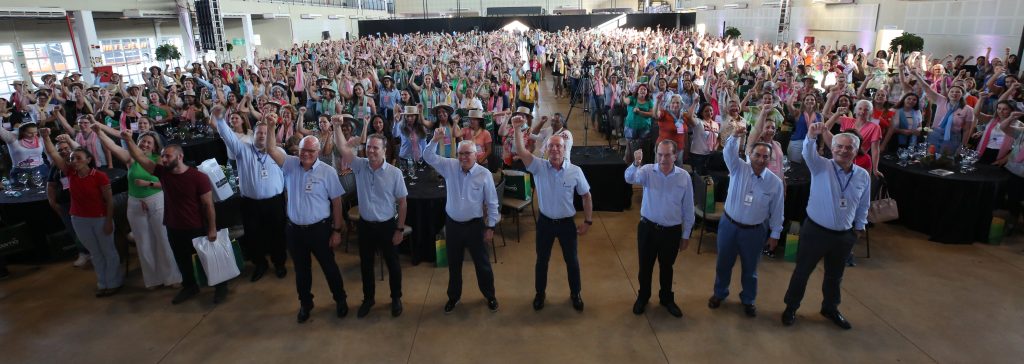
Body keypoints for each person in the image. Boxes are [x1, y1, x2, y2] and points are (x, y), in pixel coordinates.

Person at [782, 123, 871, 330]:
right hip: (815, 232)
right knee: (802, 272)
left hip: (843, 236)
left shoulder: (862, 176)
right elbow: (807, 151)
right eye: (839, 146)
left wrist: (859, 227)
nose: (843, 150)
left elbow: (864, 204)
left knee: (835, 276)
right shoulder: (821, 166)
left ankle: (830, 308)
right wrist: (812, 136)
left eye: (849, 147)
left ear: (856, 151)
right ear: (832, 147)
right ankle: (791, 307)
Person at [122, 130, 225, 305]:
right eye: (162, 156)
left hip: (196, 226)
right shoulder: (163, 173)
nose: (163, 160)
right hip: (173, 226)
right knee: (182, 260)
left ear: (180, 157)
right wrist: (128, 140)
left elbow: (208, 205)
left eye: (167, 156)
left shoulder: (198, 177)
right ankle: (190, 286)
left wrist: (212, 228)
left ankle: (220, 287)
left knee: (207, 258)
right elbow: (140, 157)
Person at [263, 115, 349, 323]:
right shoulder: (290, 164)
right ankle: (305, 304)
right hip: (295, 231)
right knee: (302, 272)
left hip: (320, 230)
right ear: (298, 151)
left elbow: (337, 203)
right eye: (303, 150)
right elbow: (271, 150)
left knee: (330, 268)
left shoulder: (327, 172)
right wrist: (271, 127)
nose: (306, 154)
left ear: (317, 152)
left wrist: (337, 231)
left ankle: (340, 300)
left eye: (311, 151)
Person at [511, 114, 593, 312]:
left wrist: (588, 221)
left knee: (572, 261)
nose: (555, 149)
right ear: (545, 150)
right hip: (545, 223)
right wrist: (516, 128)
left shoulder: (575, 171)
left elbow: (586, 196)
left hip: (567, 224)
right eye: (551, 146)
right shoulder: (539, 167)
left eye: (559, 146)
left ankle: (576, 293)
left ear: (565, 150)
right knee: (542, 261)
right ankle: (540, 293)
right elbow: (520, 150)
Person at [708, 122, 785, 317]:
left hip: (755, 231)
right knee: (723, 264)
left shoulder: (774, 183)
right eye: (757, 155)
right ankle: (719, 293)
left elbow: (777, 210)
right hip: (729, 226)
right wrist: (735, 136)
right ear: (749, 156)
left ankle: (748, 299)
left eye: (765, 157)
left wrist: (775, 234)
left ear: (770, 159)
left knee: (750, 269)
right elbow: (728, 154)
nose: (760, 159)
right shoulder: (738, 168)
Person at [93, 124, 181, 289]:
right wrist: (99, 132)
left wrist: (147, 183)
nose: (145, 144)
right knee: (144, 242)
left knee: (163, 239)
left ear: (155, 146)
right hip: (135, 203)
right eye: (142, 141)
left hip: (156, 200)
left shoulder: (160, 160)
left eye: (149, 142)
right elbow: (111, 146)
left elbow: (167, 183)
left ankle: (173, 277)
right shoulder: (130, 157)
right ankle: (153, 280)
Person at [424, 130, 500, 314]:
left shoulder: (484, 174)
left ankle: (490, 295)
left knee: (482, 264)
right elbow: (427, 156)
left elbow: (492, 202)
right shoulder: (449, 166)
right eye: (461, 153)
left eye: (468, 153)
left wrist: (490, 226)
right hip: (453, 225)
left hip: (475, 226)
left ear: (476, 154)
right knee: (454, 264)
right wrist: (435, 139)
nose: (464, 157)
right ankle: (454, 297)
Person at [41, 128, 121, 297]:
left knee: (108, 251)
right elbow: (53, 153)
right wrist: (45, 136)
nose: (74, 161)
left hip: (100, 219)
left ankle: (114, 282)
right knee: (95, 253)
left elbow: (109, 201)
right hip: (79, 219)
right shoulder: (70, 173)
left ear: (88, 160)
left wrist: (108, 221)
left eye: (78, 158)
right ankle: (103, 283)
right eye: (71, 158)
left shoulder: (99, 176)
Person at [212, 106, 288, 282]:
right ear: (252, 135)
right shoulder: (242, 150)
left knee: (277, 234)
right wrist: (221, 120)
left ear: (271, 134)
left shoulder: (280, 153)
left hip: (275, 202)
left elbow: (288, 178)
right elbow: (228, 137)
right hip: (250, 203)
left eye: (266, 132)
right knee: (253, 236)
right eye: (259, 133)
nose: (262, 135)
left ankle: (279, 263)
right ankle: (260, 264)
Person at [336, 132, 408, 318]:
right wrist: (336, 126)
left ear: (385, 150)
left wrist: (399, 229)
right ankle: (368, 299)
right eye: (368, 147)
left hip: (387, 226)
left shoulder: (395, 173)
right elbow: (343, 149)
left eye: (376, 147)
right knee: (366, 265)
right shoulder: (360, 166)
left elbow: (402, 203)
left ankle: (396, 298)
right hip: (366, 225)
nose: (371, 150)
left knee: (393, 265)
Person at [623, 140, 695, 317]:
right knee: (645, 267)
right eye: (660, 154)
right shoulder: (647, 171)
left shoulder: (684, 176)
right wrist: (635, 163)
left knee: (667, 267)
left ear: (675, 155)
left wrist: (686, 235)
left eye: (667, 154)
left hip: (672, 231)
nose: (663, 159)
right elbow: (629, 178)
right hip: (648, 228)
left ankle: (666, 298)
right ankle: (643, 296)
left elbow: (688, 208)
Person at [45, 136, 88, 268]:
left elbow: (81, 150)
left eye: (66, 148)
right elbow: (51, 185)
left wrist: (69, 140)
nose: (63, 151)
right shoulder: (55, 167)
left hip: (84, 202)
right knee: (73, 229)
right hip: (65, 204)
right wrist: (52, 202)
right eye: (60, 150)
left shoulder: (79, 164)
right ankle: (83, 253)